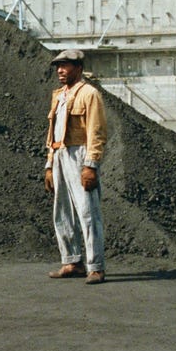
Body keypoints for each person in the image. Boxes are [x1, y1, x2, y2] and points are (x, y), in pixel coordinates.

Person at [43, 49, 108, 285]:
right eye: (58, 66)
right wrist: (49, 164)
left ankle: (96, 267)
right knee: (62, 212)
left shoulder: (90, 94)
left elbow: (97, 132)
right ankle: (72, 261)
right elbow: (53, 133)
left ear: (78, 68)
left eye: (65, 65)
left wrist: (90, 165)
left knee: (88, 212)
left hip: (80, 155)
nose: (60, 70)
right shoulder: (59, 95)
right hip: (60, 154)